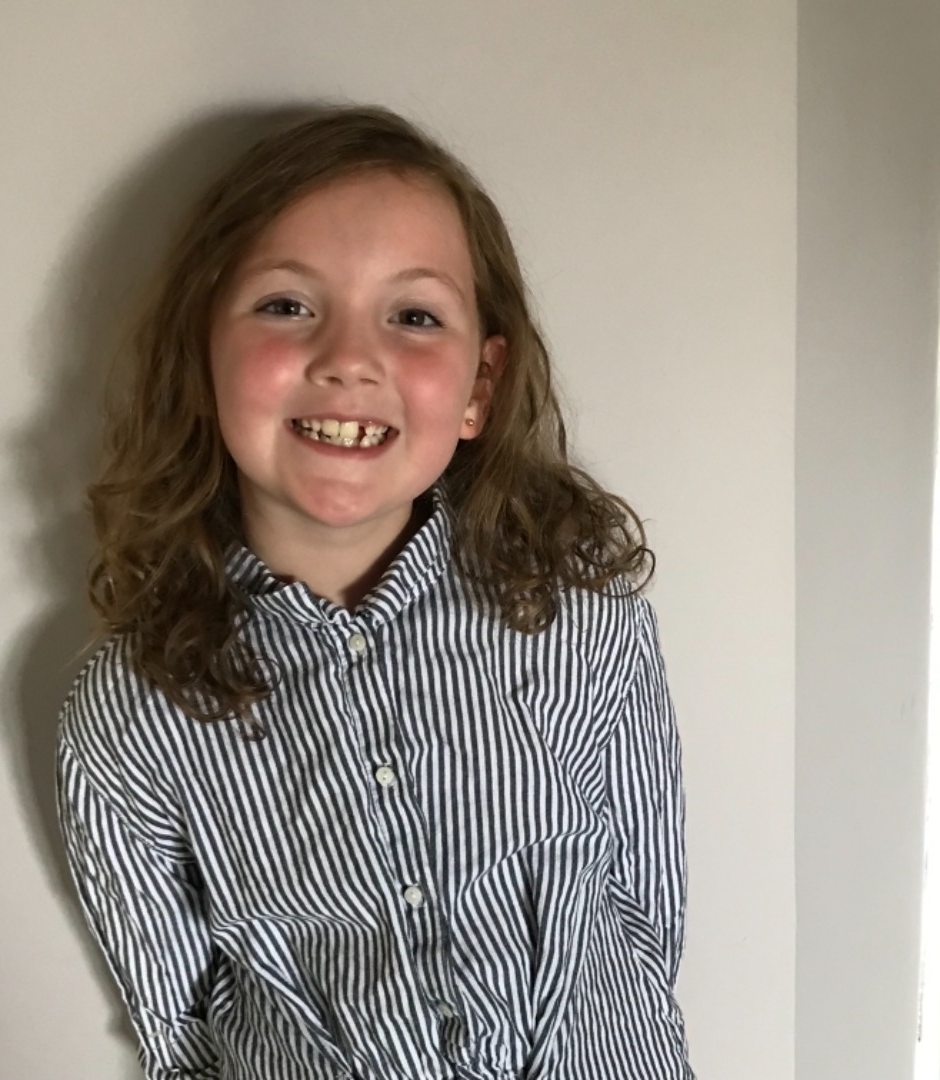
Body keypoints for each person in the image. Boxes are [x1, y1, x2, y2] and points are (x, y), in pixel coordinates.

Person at [56, 105, 693, 1080]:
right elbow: (178, 1031)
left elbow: (646, 932)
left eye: (414, 317)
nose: (350, 359)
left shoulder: (585, 624)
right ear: (201, 354)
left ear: (480, 387)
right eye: (286, 305)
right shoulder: (130, 711)